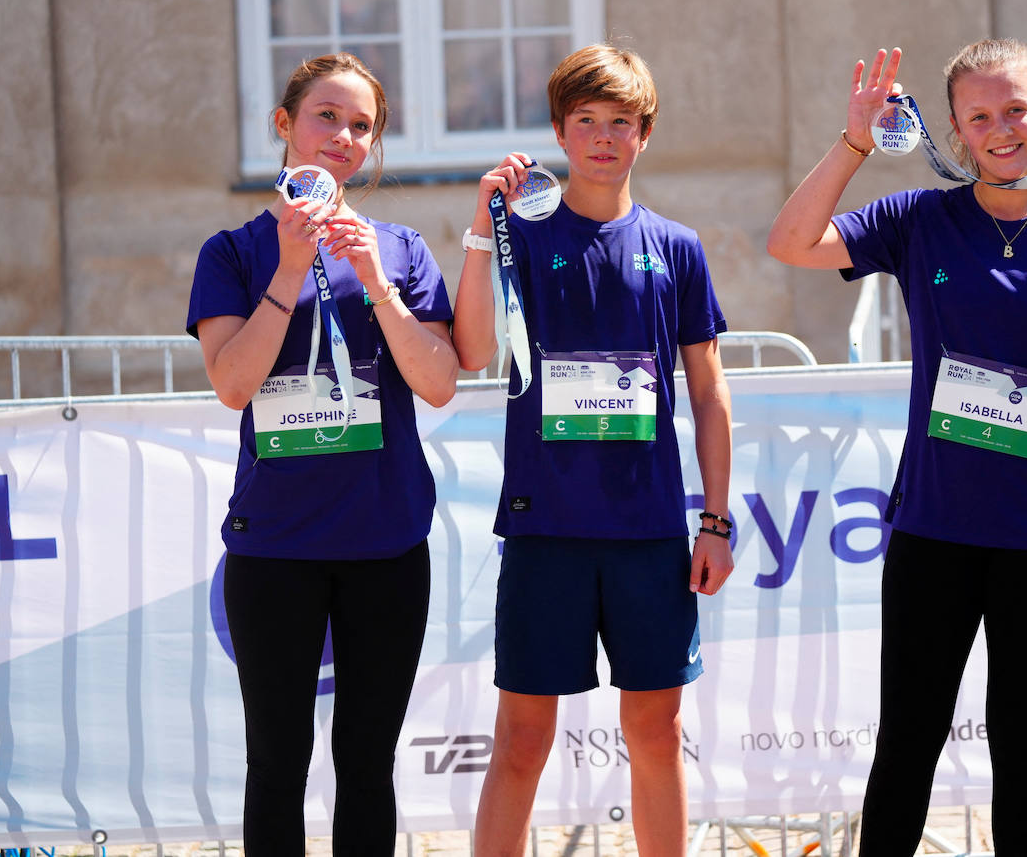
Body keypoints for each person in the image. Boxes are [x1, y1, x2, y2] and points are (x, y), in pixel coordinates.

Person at [766, 40, 1027, 853]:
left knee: (1021, 734)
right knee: (909, 734)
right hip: (934, 534)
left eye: (1016, 108)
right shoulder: (920, 222)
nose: (1002, 128)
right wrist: (853, 142)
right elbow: (791, 243)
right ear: (955, 132)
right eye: (979, 117)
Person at [452, 43, 734, 857]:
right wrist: (482, 224)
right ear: (559, 131)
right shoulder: (520, 236)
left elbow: (711, 394)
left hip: (649, 535)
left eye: (621, 122)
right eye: (587, 122)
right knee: (523, 739)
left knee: (655, 732)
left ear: (644, 134)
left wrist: (713, 520)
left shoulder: (676, 247)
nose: (604, 138)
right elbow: (473, 350)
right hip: (546, 532)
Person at [186, 52, 458, 855]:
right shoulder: (230, 253)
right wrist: (292, 267)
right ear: (285, 125)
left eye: (361, 125)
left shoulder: (402, 248)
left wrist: (375, 280)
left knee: (367, 766)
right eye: (325, 117)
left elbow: (438, 381)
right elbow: (234, 384)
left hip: (387, 545)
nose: (343, 136)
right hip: (275, 549)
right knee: (277, 764)